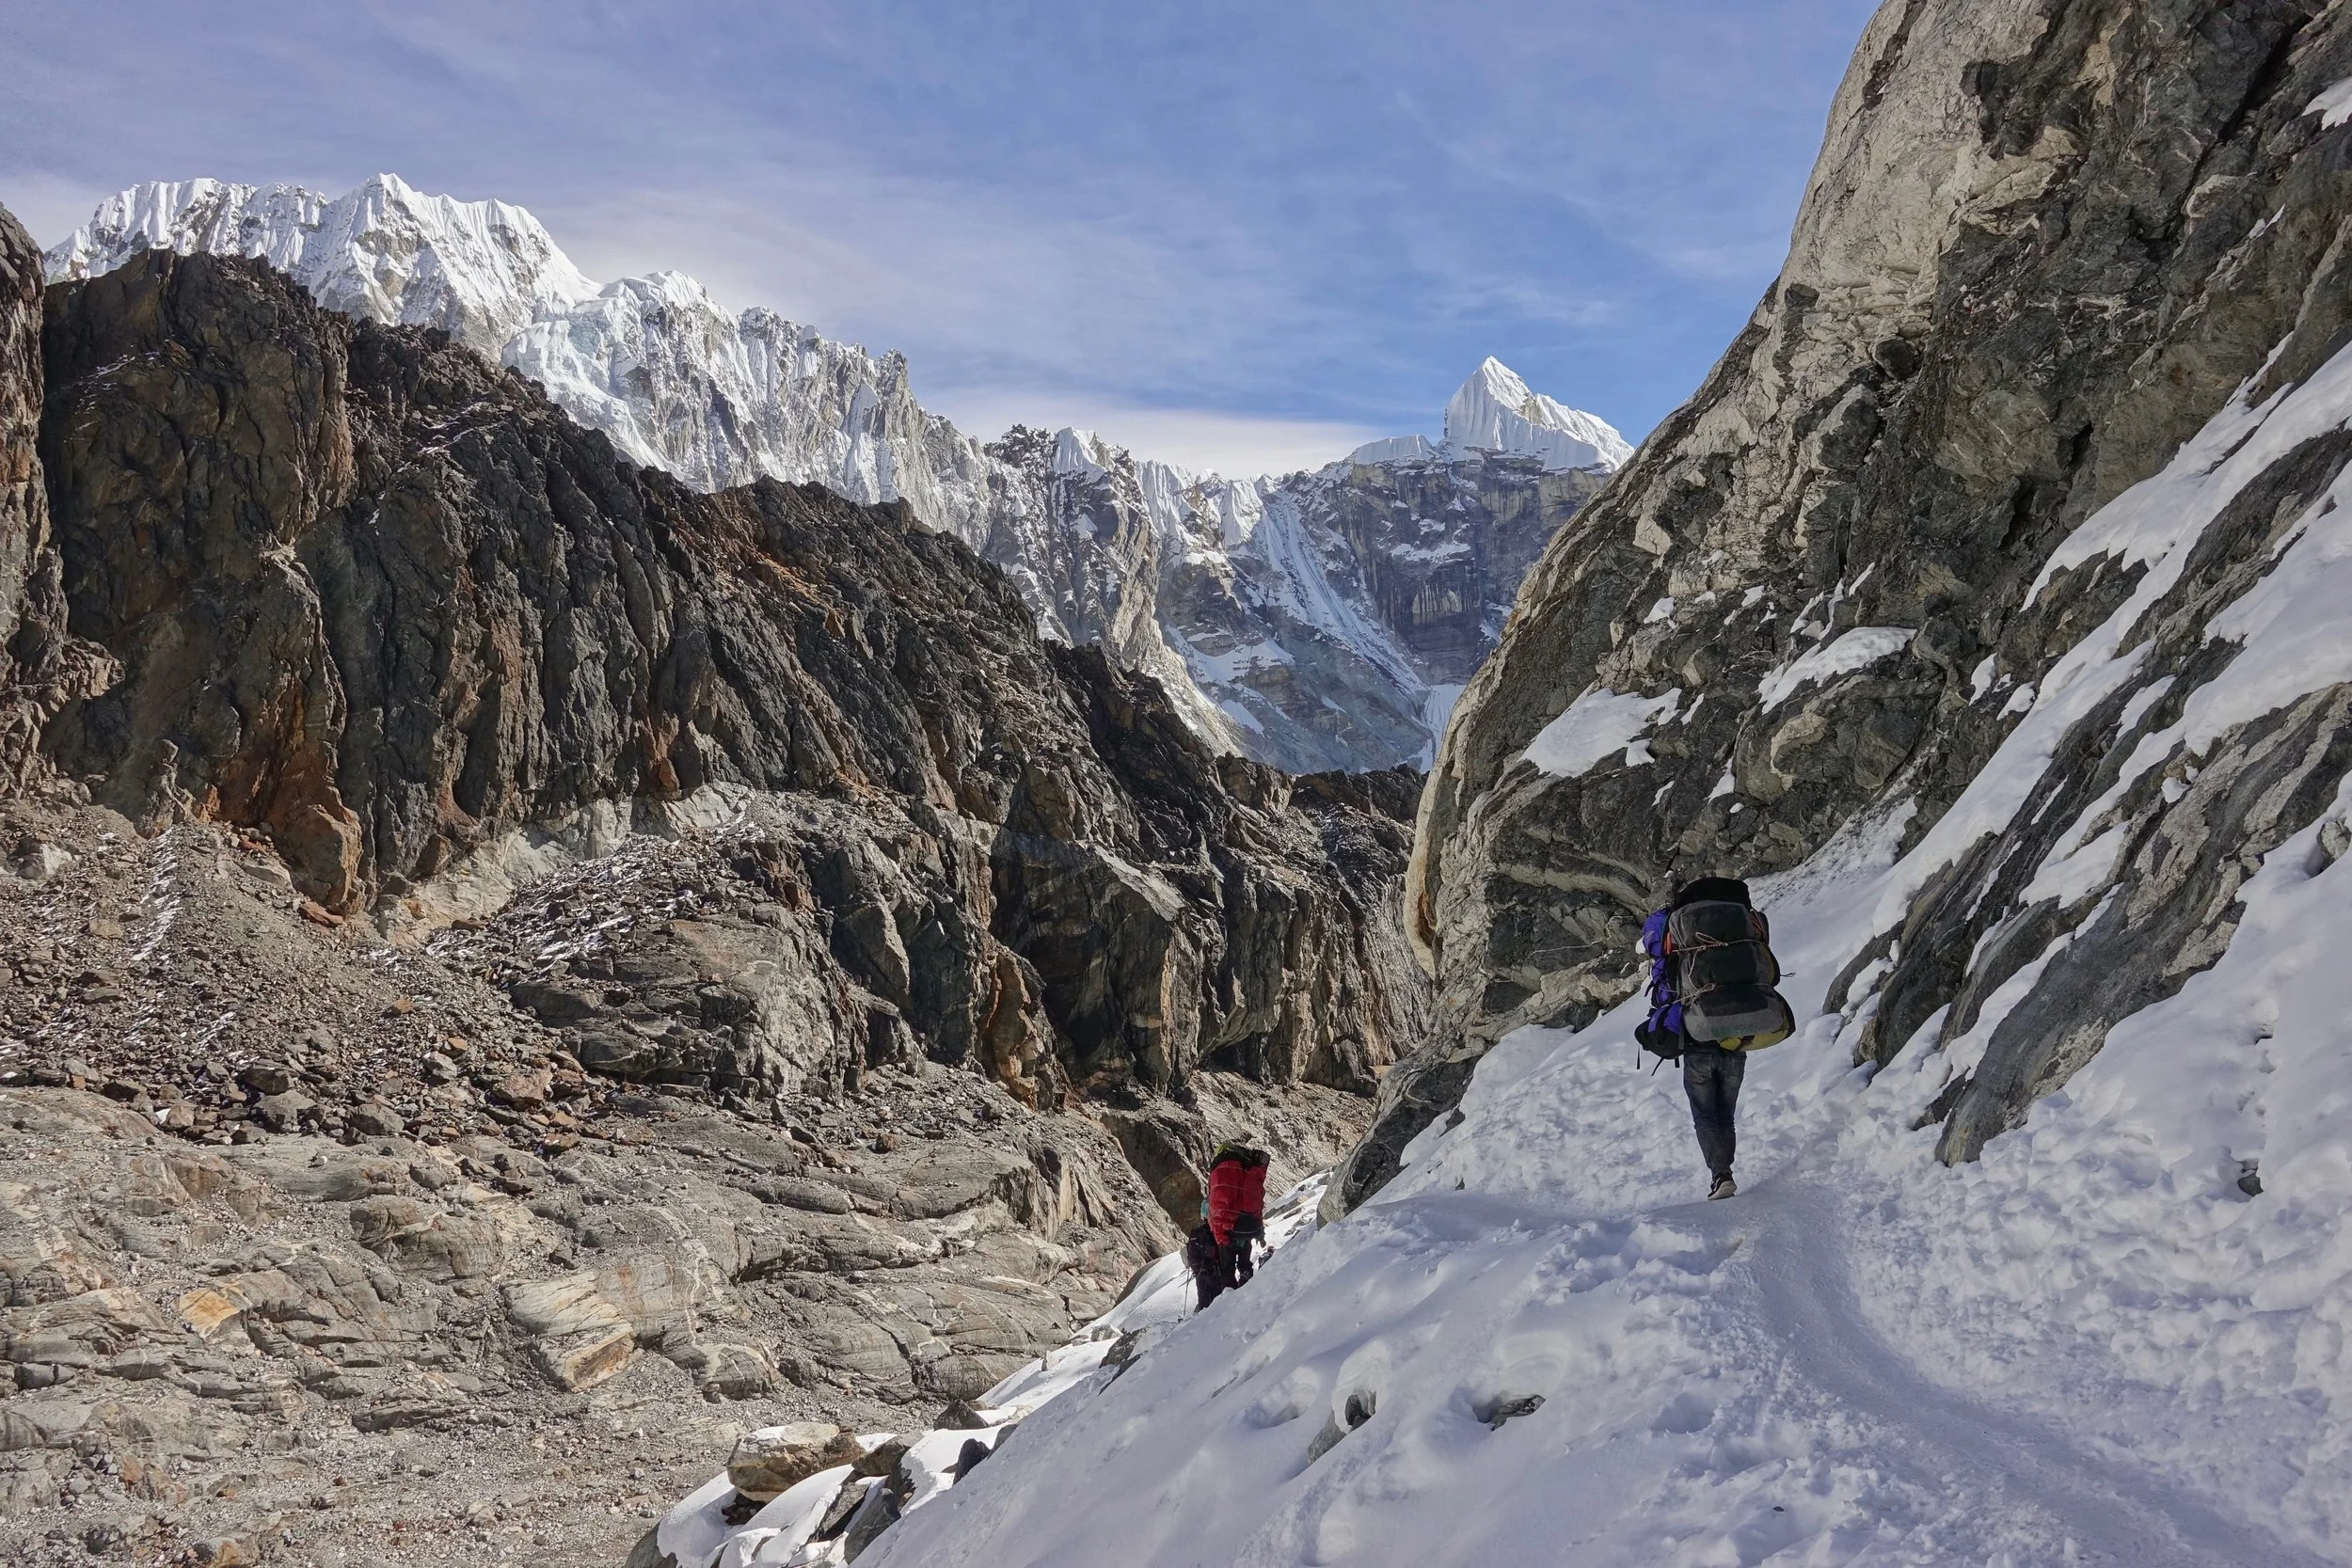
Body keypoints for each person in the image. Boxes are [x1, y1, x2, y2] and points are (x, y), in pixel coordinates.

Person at [1636, 876, 1790, 1201]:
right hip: (1738, 1033)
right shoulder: (1742, 925)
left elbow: (1661, 973)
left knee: (1705, 1114)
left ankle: (1721, 1175)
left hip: (1697, 1037)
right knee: (1725, 1113)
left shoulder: (1678, 934)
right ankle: (1724, 1171)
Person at [1185, 1142, 1269, 1308]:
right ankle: (1246, 1282)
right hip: (1247, 1228)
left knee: (1227, 1270)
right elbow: (1256, 1202)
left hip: (1228, 1231)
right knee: (1245, 1263)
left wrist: (1220, 1237)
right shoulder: (1246, 1171)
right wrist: (1259, 1232)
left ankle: (1228, 1303)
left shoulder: (1218, 1177)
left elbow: (1214, 1214)